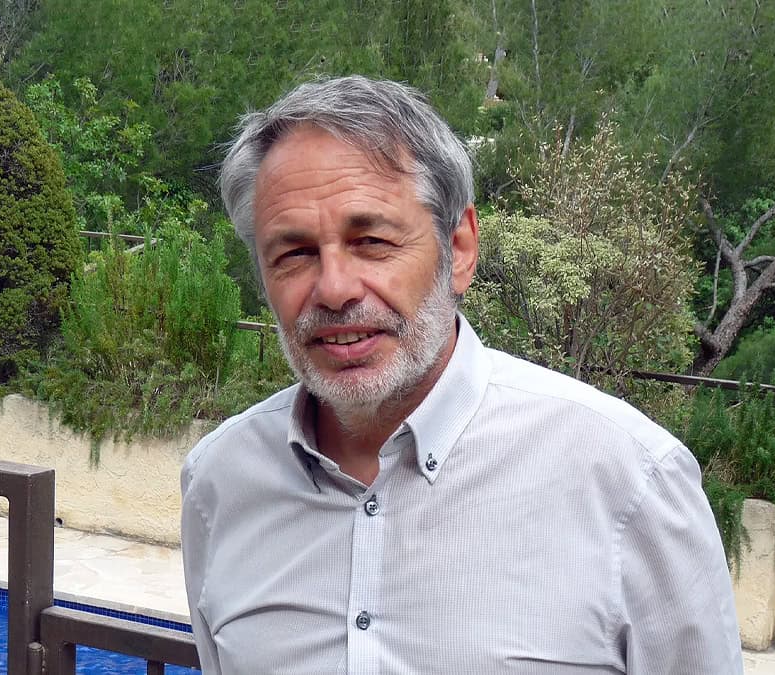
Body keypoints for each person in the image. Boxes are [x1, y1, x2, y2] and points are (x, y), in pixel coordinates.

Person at [181, 75, 743, 674]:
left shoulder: (631, 484)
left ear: (461, 249)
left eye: (371, 241)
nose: (335, 289)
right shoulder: (220, 485)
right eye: (294, 253)